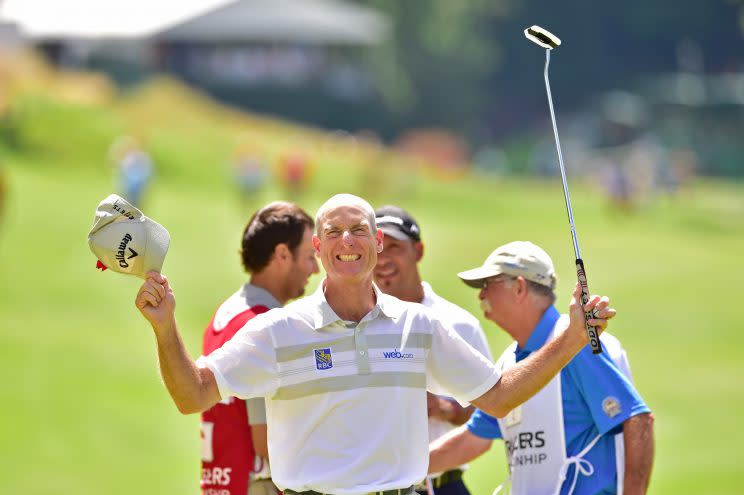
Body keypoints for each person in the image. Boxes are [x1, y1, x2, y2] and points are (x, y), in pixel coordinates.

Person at [134, 193, 614, 495]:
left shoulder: (418, 327)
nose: (348, 239)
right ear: (317, 250)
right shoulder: (277, 331)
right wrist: (164, 327)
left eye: (360, 229)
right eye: (334, 232)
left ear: (377, 245)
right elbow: (192, 394)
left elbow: (498, 393)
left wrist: (572, 338)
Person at [428, 241, 654, 495]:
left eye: (487, 285)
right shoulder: (509, 361)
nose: (481, 295)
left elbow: (637, 419)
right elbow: (473, 438)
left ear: (520, 287)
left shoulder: (575, 342)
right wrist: (403, 467)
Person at [201, 201, 319, 495]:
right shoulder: (262, 325)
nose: (315, 269)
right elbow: (265, 440)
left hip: (223, 482)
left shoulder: (225, 314)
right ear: (282, 254)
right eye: (309, 256)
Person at [373, 205, 491, 495]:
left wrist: (443, 407)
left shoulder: (459, 324)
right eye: (376, 248)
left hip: (443, 485)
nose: (384, 259)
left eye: (395, 247)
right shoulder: (352, 324)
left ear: (419, 251)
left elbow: (487, 411)